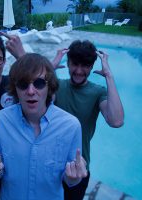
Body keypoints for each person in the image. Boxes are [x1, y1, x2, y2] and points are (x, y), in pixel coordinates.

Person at [0, 53, 88, 200]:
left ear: (49, 86)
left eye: (38, 83)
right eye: (23, 84)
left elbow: (69, 179)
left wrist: (74, 177)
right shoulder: (1, 121)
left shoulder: (70, 126)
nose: (31, 91)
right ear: (15, 88)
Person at [52, 40, 124, 199]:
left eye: (85, 65)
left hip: (79, 166)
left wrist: (109, 76)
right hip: (50, 162)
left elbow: (116, 121)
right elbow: (32, 93)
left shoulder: (98, 92)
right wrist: (49, 69)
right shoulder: (56, 86)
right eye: (74, 64)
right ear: (68, 63)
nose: (78, 71)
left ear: (91, 67)